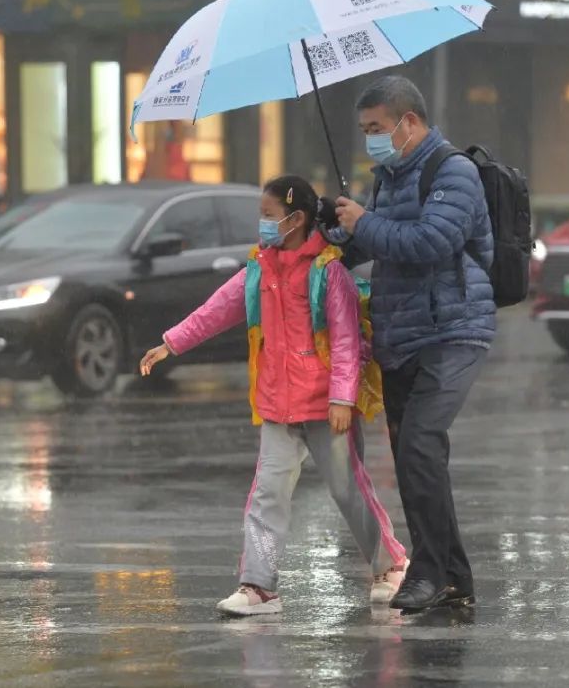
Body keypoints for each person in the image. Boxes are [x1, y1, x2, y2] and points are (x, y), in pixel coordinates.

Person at [140, 175, 408, 617]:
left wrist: (343, 399)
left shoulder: (329, 272)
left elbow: (346, 342)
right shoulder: (259, 269)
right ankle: (259, 586)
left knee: (348, 491)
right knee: (267, 495)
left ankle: (391, 564)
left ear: (296, 219)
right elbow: (215, 310)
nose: (261, 224)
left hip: (326, 406)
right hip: (277, 404)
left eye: (268, 216)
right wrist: (172, 343)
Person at [335, 75, 496, 612]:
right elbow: (367, 241)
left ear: (409, 121)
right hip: (402, 335)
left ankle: (427, 574)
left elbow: (433, 241)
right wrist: (332, 226)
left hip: (454, 329)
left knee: (421, 442)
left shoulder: (454, 170)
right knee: (413, 456)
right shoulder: (385, 177)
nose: (371, 139)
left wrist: (366, 222)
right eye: (364, 131)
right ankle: (453, 577)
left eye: (377, 128)